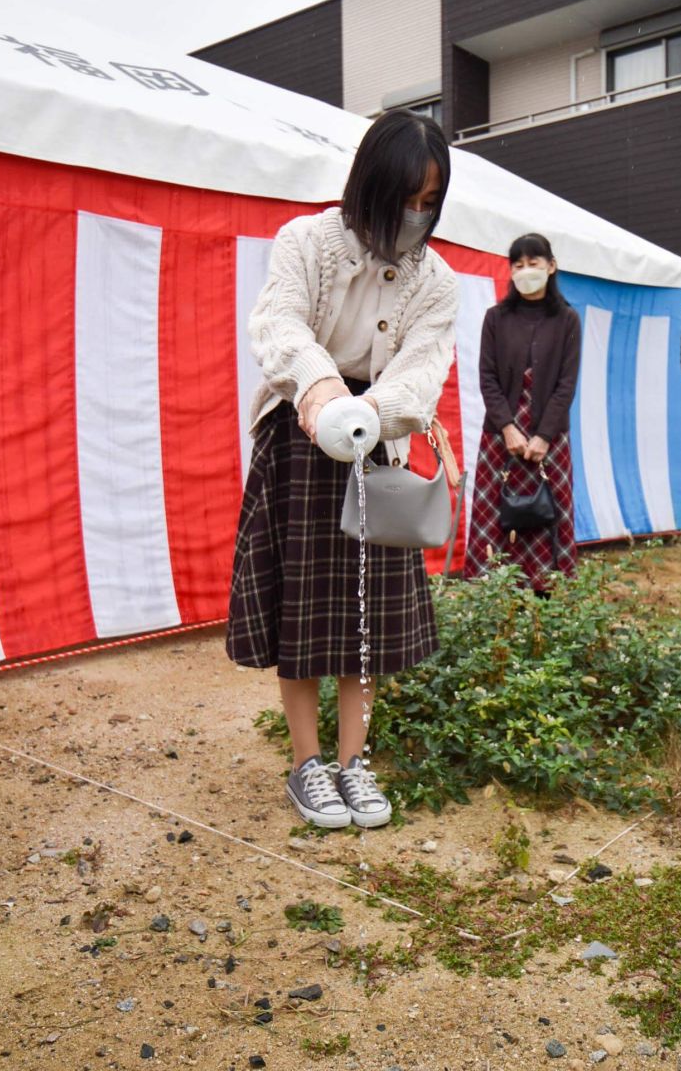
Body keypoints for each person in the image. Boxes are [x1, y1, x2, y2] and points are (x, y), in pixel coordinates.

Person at [226, 110, 458, 827]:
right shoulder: (306, 241)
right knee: (304, 616)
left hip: (375, 449)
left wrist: (375, 413)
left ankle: (353, 762)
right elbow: (279, 322)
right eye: (405, 199)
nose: (416, 216)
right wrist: (322, 391)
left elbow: (424, 367)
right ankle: (307, 766)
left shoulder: (436, 279)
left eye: (429, 202)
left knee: (365, 622)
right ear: (369, 186)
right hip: (300, 439)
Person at [464, 233, 581, 589]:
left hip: (550, 439)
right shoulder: (496, 318)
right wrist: (508, 428)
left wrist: (543, 436)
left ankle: (548, 597)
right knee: (496, 518)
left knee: (548, 517)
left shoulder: (567, 319)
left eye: (534, 263)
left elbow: (566, 384)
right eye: (518, 264)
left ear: (551, 266)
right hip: (502, 438)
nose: (526, 270)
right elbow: (487, 379)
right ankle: (492, 596)